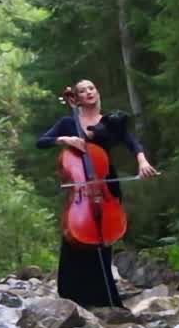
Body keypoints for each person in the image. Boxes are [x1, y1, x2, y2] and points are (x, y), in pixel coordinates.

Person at [36, 79, 158, 308]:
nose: (87, 92)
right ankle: (74, 297)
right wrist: (63, 139)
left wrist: (142, 161)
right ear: (77, 98)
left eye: (91, 88)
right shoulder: (67, 122)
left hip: (105, 184)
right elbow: (41, 142)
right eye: (82, 91)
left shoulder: (111, 121)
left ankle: (105, 297)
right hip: (80, 187)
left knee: (102, 240)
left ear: (96, 92)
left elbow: (131, 142)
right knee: (74, 242)